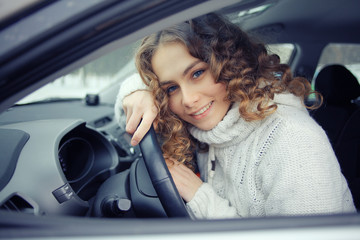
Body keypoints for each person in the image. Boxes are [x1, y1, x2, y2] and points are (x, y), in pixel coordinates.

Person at [115, 13, 356, 219]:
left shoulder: (293, 142)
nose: (188, 100)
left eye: (198, 73)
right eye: (170, 88)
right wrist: (137, 93)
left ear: (231, 63)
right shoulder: (212, 121)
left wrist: (200, 196)